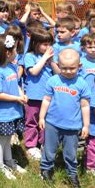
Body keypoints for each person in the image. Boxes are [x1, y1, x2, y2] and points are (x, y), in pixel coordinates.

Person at [39, 48, 91, 188]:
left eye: (72, 68)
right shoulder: (53, 81)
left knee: (71, 152)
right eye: (64, 68)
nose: (68, 71)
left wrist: (86, 125)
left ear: (79, 66)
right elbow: (46, 100)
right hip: (52, 123)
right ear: (58, 65)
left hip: (72, 126)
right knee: (49, 149)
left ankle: (72, 174)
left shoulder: (82, 84)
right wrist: (42, 117)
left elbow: (85, 106)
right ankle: (46, 169)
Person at [0, 35, 27, 180]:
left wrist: (21, 94)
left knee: (8, 139)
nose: (17, 52)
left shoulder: (11, 67)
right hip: (2, 114)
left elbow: (16, 84)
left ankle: (9, 162)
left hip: (13, 111)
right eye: (15, 49)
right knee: (0, 141)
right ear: (7, 53)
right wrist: (17, 98)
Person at [23, 29, 57, 161]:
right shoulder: (29, 56)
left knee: (46, 121)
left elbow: (58, 73)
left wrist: (52, 61)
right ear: (35, 43)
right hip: (33, 95)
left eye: (50, 44)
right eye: (44, 44)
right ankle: (31, 145)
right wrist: (44, 58)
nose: (48, 47)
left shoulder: (50, 57)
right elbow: (34, 71)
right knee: (32, 121)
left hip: (48, 96)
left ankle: (43, 143)